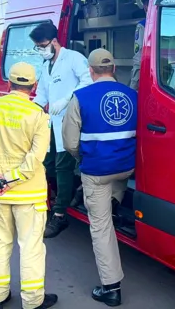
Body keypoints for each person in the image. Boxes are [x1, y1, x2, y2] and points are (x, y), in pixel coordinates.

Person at [0, 62, 58, 309]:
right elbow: (35, 159)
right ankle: (32, 301)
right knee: (31, 247)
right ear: (33, 86)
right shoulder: (38, 115)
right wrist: (11, 179)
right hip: (29, 195)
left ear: (9, 84)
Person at [62, 48, 137, 307]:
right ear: (114, 69)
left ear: (91, 71)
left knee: (101, 227)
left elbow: (71, 142)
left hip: (96, 171)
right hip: (126, 169)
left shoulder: (81, 97)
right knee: (116, 184)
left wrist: (81, 158)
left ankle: (111, 288)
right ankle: (114, 203)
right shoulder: (133, 95)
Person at [29, 22, 92, 238]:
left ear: (55, 41)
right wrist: (30, 110)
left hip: (71, 122)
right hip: (52, 123)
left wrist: (67, 99)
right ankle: (62, 197)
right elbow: (43, 94)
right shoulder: (45, 65)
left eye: (43, 45)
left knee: (63, 167)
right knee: (47, 164)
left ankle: (59, 215)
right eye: (38, 47)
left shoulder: (74, 58)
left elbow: (88, 81)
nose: (41, 50)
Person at [129, 0, 151, 91]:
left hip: (149, 74)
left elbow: (139, 57)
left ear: (146, 6)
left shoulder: (143, 25)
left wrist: (133, 88)